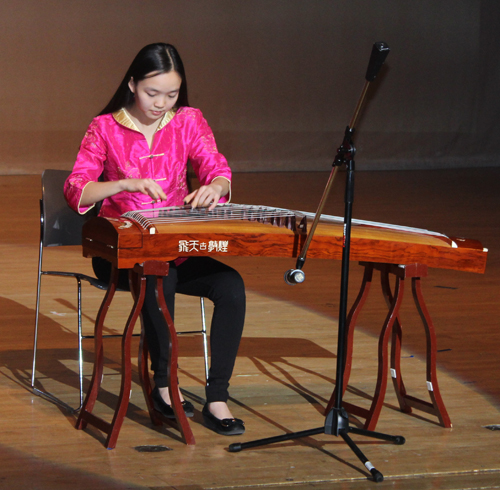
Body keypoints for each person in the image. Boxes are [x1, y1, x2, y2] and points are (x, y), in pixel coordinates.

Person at [64, 43, 246, 436]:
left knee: (231, 286)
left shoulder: (188, 121)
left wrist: (216, 186)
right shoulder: (105, 128)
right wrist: (124, 183)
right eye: (152, 93)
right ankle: (164, 384)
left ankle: (217, 397)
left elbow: (216, 166)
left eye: (172, 94)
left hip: (174, 244)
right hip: (119, 248)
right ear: (132, 84)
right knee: (159, 275)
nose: (162, 103)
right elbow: (76, 189)